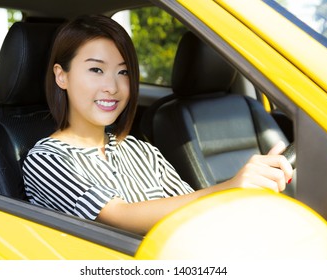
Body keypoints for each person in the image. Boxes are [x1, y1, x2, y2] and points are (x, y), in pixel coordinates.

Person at [23, 15, 293, 235]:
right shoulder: (47, 159)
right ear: (61, 76)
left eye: (123, 72)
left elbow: (193, 213)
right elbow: (118, 216)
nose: (113, 87)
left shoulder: (142, 151)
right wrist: (231, 186)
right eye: (96, 70)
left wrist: (250, 195)